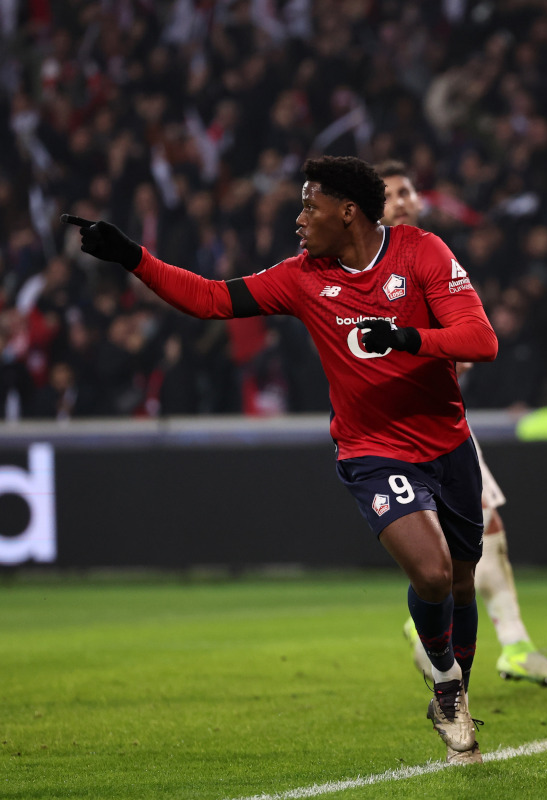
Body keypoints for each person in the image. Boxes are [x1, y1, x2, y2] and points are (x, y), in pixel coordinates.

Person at [64, 155, 499, 763]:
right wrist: (133, 257)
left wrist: (407, 339)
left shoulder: (420, 252)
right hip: (372, 449)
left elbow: (483, 341)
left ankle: (455, 693)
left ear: (347, 212)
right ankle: (448, 687)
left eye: (308, 206)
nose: (298, 219)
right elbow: (211, 299)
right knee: (430, 572)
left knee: (458, 580)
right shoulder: (301, 277)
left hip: (447, 442)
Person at [377, 160, 547, 686]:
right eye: (391, 194)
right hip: (397, 430)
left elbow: (469, 336)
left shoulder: (431, 256)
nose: (404, 200)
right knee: (450, 551)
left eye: (409, 190)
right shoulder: (370, 271)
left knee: (489, 531)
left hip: (444, 421)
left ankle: (511, 644)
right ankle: (434, 632)